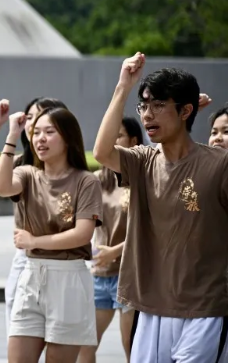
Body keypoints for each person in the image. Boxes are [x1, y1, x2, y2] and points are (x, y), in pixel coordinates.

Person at [93, 53, 228, 363]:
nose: (147, 115)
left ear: (186, 111)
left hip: (206, 307)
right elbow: (102, 151)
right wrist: (123, 86)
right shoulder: (142, 161)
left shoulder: (220, 165)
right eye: (143, 106)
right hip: (151, 306)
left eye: (158, 106)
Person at [0, 107, 102, 363]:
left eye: (49, 132)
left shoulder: (86, 181)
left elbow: (82, 234)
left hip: (69, 279)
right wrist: (12, 135)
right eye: (36, 132)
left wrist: (34, 241)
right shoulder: (27, 174)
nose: (40, 139)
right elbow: (2, 186)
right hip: (31, 276)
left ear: (68, 138)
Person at [0, 96, 68, 337]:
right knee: (19, 332)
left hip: (65, 259)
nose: (33, 123)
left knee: (64, 338)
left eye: (41, 116)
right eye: (30, 117)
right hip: (27, 258)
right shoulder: (21, 165)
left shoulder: (74, 173)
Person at [78, 116, 143, 363]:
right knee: (85, 346)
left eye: (118, 136)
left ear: (133, 141)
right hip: (99, 274)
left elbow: (149, 232)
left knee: (131, 346)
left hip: (131, 276)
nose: (111, 141)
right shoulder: (95, 179)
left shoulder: (142, 179)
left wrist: (115, 251)